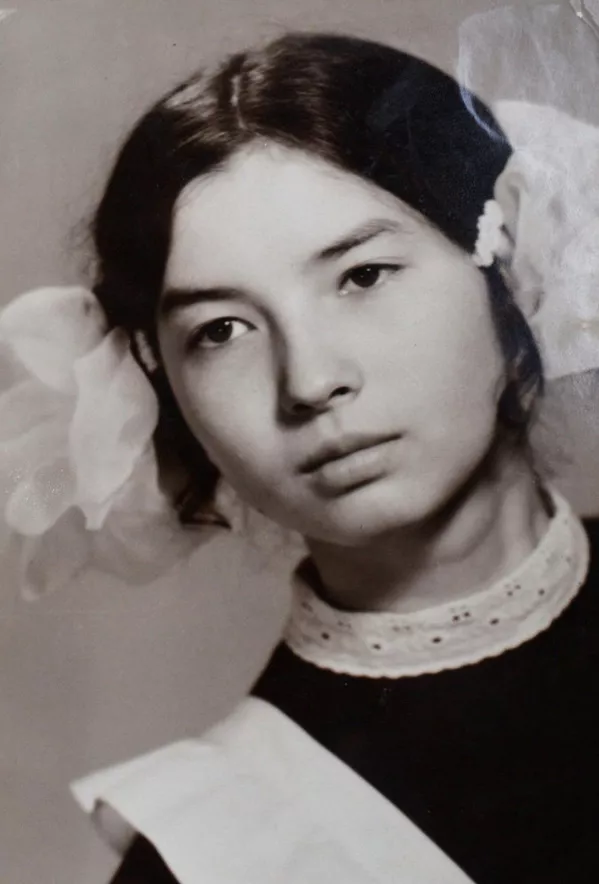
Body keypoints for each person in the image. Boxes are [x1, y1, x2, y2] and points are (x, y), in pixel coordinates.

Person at [1, 28, 598, 884]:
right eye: (221, 331)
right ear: (156, 386)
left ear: (504, 268)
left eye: (362, 276)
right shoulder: (218, 854)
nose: (310, 380)